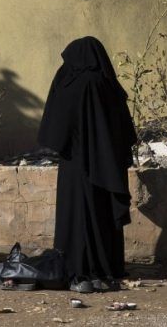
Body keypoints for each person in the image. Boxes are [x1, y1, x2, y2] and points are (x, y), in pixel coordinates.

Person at [38, 36, 137, 294]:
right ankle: (107, 266)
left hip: (75, 165)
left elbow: (55, 126)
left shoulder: (71, 82)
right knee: (102, 215)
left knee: (77, 215)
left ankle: (78, 265)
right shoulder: (107, 84)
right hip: (107, 166)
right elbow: (125, 131)